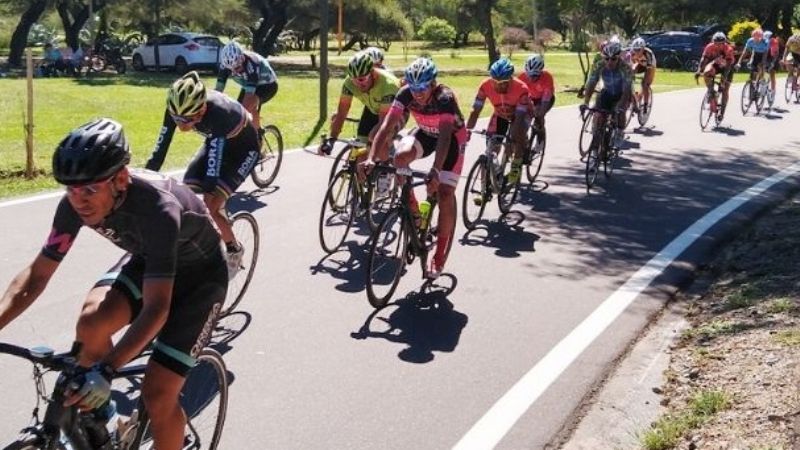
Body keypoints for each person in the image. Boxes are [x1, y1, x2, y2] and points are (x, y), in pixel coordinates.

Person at [0, 118, 227, 450]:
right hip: (152, 259)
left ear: (120, 179)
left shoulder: (159, 211)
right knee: (92, 321)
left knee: (157, 394)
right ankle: (99, 418)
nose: (80, 200)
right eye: (71, 189)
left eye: (90, 189)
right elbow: (37, 275)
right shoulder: (74, 206)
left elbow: (158, 307)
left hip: (201, 278)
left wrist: (107, 369)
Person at [146, 71, 260, 277]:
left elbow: (213, 169)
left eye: (188, 120)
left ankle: (234, 249)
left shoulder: (219, 114)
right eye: (177, 119)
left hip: (244, 151)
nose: (181, 126)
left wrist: (209, 206)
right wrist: (143, 180)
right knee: (184, 193)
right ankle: (199, 237)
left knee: (210, 204)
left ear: (203, 109)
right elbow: (160, 150)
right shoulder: (177, 107)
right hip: (218, 143)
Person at [362, 57, 466, 279]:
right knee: (399, 158)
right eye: (414, 86)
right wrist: (372, 158)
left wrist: (436, 171)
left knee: (445, 193)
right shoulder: (405, 93)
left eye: (423, 87)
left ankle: (438, 258)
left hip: (452, 140)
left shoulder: (445, 98)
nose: (417, 92)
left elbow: (445, 137)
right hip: (426, 133)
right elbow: (386, 127)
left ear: (433, 84)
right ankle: (415, 212)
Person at [318, 51, 401, 162]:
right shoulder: (349, 83)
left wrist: (371, 147)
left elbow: (383, 125)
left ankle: (386, 169)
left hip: (395, 112)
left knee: (375, 137)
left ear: (372, 73)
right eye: (354, 80)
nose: (358, 84)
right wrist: (331, 139)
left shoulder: (388, 85)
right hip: (373, 109)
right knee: (359, 152)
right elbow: (342, 113)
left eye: (362, 79)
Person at [464, 57, 530, 187]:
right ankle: (484, 187)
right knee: (491, 148)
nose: (499, 85)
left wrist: (513, 138)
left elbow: (520, 117)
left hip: (521, 115)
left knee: (516, 139)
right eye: (496, 82)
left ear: (511, 78)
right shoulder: (485, 85)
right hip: (501, 115)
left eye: (504, 82)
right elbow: (476, 110)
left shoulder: (522, 89)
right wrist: (466, 131)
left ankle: (516, 165)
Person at [580, 37, 633, 150]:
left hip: (621, 93)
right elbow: (591, 83)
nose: (609, 62)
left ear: (618, 58)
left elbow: (627, 89)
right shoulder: (599, 65)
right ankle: (597, 138)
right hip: (607, 92)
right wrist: (586, 102)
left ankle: (619, 131)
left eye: (613, 59)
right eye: (607, 58)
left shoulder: (625, 68)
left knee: (620, 112)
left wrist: (621, 105)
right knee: (599, 114)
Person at [216, 41, 278, 132]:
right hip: (248, 85)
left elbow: (249, 96)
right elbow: (217, 91)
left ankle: (257, 137)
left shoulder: (252, 64)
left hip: (267, 85)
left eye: (237, 68)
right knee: (238, 112)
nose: (235, 72)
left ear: (242, 58)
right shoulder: (225, 66)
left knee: (245, 109)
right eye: (231, 70)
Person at [518, 53, 555, 156]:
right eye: (529, 74)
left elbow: (546, 99)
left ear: (540, 72)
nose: (532, 78)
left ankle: (540, 141)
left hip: (544, 99)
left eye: (535, 76)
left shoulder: (547, 77)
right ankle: (524, 142)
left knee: (539, 117)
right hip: (530, 98)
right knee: (522, 120)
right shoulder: (521, 77)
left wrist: (540, 114)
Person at [695, 32, 735, 119]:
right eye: (716, 43)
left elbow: (728, 67)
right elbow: (704, 59)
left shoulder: (729, 49)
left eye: (720, 44)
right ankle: (711, 91)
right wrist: (699, 70)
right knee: (707, 72)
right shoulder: (709, 46)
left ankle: (722, 113)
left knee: (725, 90)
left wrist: (723, 80)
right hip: (716, 65)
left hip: (728, 68)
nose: (718, 45)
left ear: (724, 43)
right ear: (713, 42)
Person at [628, 37, 657, 112]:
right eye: (635, 49)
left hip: (649, 66)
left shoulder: (648, 54)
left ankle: (645, 104)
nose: (636, 51)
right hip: (640, 63)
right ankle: (635, 98)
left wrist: (645, 80)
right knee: (629, 79)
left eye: (638, 50)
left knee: (644, 84)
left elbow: (649, 68)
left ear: (643, 48)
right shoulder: (632, 52)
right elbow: (630, 65)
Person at [764, 30, 779, 97]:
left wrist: (772, 63)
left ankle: (773, 90)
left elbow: (775, 54)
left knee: (772, 74)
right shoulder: (763, 40)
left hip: (773, 57)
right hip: (766, 56)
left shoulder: (774, 42)